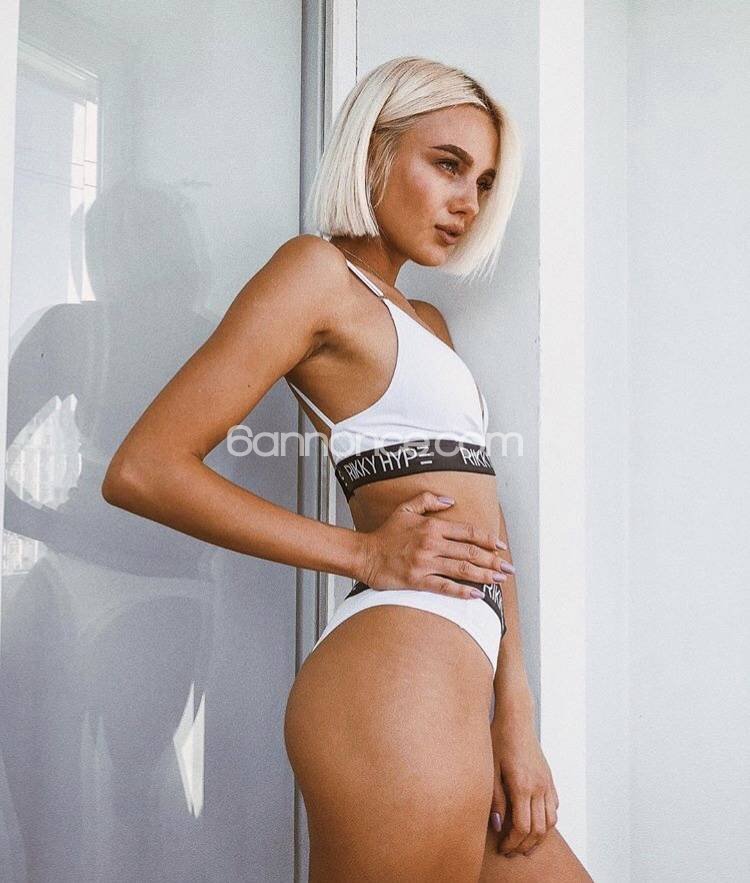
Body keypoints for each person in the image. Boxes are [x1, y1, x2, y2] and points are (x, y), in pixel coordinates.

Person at [102, 56, 593, 882]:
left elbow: (488, 531)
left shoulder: (427, 322)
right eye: (447, 164)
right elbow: (144, 468)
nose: (468, 202)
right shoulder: (315, 273)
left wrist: (515, 717)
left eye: (483, 181)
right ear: (373, 153)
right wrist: (363, 551)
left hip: (457, 693)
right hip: (394, 684)